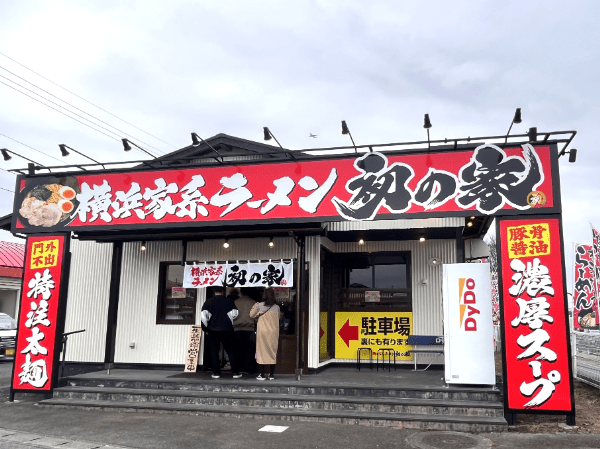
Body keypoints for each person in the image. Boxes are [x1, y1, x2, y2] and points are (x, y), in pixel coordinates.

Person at [201, 285, 241, 379]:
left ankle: (216, 373)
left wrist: (206, 328)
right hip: (227, 329)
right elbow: (235, 314)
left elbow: (203, 317)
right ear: (222, 292)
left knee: (214, 351)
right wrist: (229, 319)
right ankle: (235, 372)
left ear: (214, 292)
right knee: (230, 350)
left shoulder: (208, 302)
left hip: (213, 330)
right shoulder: (229, 301)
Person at [249, 288, 280, 380]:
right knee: (272, 351)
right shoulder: (276, 307)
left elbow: (251, 315)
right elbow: (278, 318)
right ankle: (271, 374)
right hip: (273, 332)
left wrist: (255, 306)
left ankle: (262, 374)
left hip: (262, 332)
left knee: (261, 351)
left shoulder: (260, 306)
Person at [232, 288, 257, 374]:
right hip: (249, 329)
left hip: (237, 329)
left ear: (241, 293)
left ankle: (238, 368)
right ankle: (249, 369)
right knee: (249, 350)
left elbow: (232, 315)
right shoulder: (253, 302)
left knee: (237, 350)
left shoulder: (236, 302)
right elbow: (256, 317)